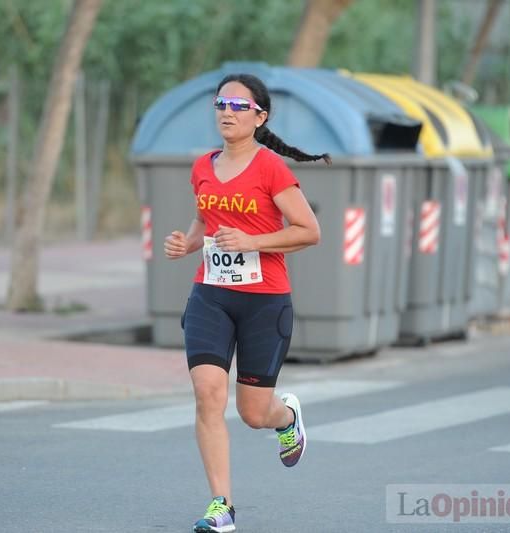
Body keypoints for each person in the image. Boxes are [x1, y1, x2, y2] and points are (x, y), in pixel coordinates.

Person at [163, 73, 330, 533]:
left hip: (264, 302)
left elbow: (309, 231)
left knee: (254, 413)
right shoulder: (202, 166)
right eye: (221, 104)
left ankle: (287, 416)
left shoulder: (271, 168)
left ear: (261, 116)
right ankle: (222, 506)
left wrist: (254, 242)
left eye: (238, 106)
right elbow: (205, 218)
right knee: (207, 394)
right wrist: (189, 243)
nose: (227, 112)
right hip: (211, 296)